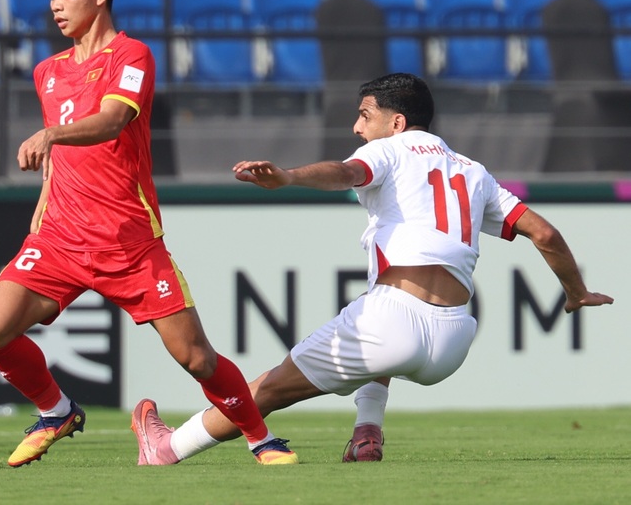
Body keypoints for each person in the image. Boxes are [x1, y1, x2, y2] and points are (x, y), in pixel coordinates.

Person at [131, 72, 615, 465]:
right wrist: (576, 293)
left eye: (365, 116)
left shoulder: (385, 150)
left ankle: (167, 449)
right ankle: (368, 433)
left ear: (397, 122)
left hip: (393, 321)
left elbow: (346, 173)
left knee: (272, 387)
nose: (358, 129)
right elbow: (545, 234)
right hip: (453, 341)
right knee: (369, 316)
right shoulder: (473, 170)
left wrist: (289, 177)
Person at [0, 0, 297, 468]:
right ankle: (56, 411)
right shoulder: (47, 72)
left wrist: (50, 134)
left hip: (129, 242)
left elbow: (111, 121)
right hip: (58, 239)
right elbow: (59, 161)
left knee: (196, 357)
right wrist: (39, 216)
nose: (54, 5)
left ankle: (261, 438)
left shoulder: (132, 55)